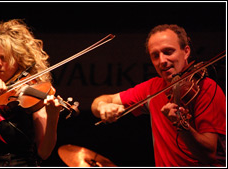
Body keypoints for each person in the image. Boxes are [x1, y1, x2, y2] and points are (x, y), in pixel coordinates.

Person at [91, 24, 226, 167]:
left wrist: (181, 125)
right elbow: (99, 102)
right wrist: (102, 106)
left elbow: (208, 155)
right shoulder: (152, 88)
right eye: (155, 56)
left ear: (186, 51)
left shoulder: (206, 88)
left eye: (168, 52)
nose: (162, 61)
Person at [0, 19, 63, 166]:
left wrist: (53, 117)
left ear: (18, 59)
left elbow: (44, 153)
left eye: (4, 58)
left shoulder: (31, 93)